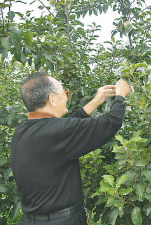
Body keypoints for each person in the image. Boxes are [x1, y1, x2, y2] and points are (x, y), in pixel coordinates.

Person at [11, 72, 132, 225]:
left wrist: (95, 102)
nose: (67, 97)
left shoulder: (22, 130)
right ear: (52, 99)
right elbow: (110, 123)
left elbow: (67, 127)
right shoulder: (59, 132)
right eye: (65, 93)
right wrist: (121, 96)